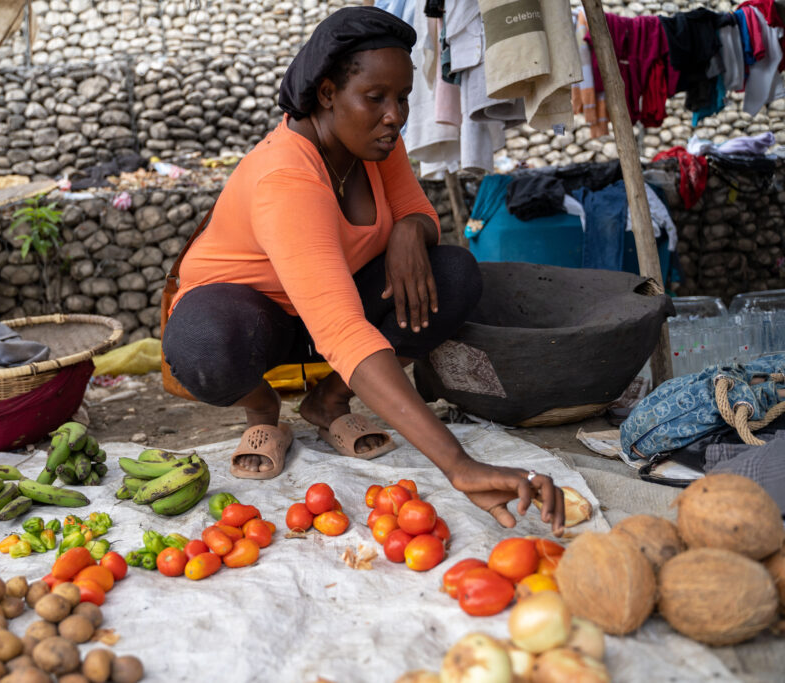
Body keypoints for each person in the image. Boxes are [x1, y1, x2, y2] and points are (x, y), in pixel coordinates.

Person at [163, 7, 564, 533]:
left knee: (453, 274)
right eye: (376, 98)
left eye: (402, 98)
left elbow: (418, 212)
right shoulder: (287, 176)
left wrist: (407, 231)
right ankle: (263, 413)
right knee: (202, 345)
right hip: (252, 321)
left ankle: (328, 402)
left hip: (333, 308)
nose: (394, 115)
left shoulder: (372, 142)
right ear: (327, 93)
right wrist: (459, 465)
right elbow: (342, 330)